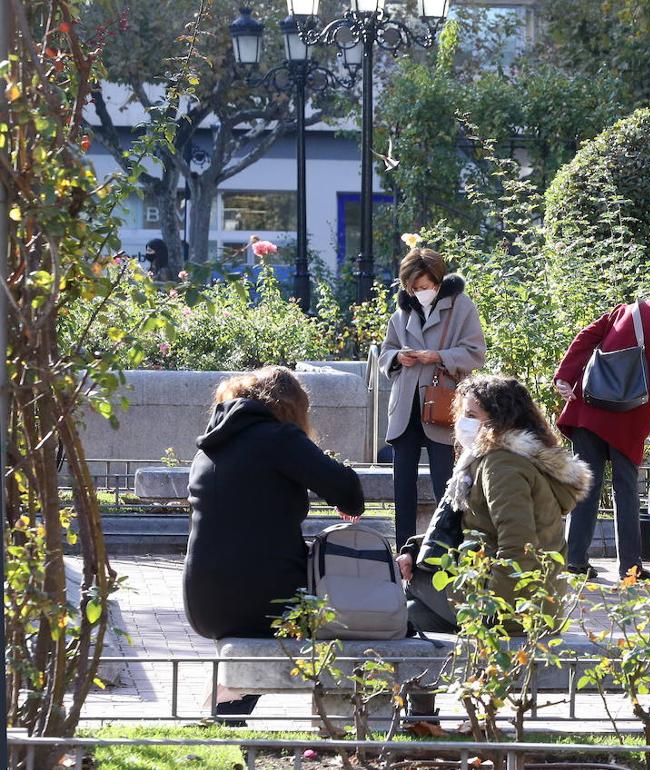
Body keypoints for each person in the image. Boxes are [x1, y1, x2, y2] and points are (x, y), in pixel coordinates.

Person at [182, 366, 364, 719]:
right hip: (262, 600)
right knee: (356, 616)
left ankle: (224, 705)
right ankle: (346, 721)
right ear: (292, 406)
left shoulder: (208, 447)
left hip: (202, 601)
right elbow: (348, 491)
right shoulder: (278, 439)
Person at [396, 375, 592, 632]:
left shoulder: (502, 465)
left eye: (470, 415)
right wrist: (416, 550)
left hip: (515, 606)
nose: (461, 422)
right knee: (403, 615)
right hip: (521, 597)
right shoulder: (491, 458)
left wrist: (490, 611)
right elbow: (477, 527)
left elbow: (518, 548)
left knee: (402, 592)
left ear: (498, 420)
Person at [553, 289, 650, 580]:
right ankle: (630, 567)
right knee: (625, 489)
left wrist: (564, 377)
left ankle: (575, 561)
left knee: (587, 485)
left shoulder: (627, 309)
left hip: (590, 407)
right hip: (629, 417)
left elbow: (585, 337)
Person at [380, 247, 486, 549]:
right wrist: (399, 357)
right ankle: (404, 552)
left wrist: (438, 355)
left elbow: (475, 352)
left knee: (447, 485)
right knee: (402, 487)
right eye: (413, 288)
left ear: (437, 281)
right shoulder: (403, 310)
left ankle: (445, 550)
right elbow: (385, 353)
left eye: (424, 287)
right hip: (405, 408)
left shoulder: (461, 306)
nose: (419, 293)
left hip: (442, 403)